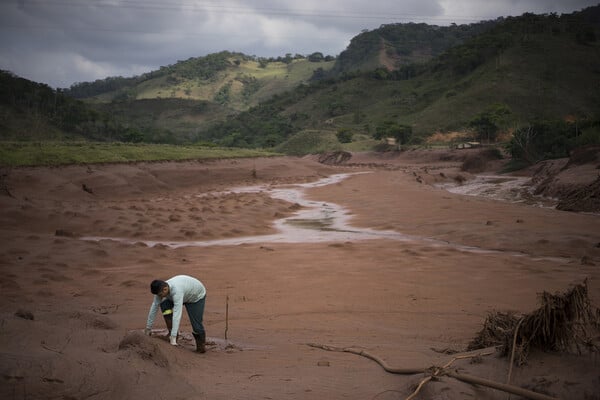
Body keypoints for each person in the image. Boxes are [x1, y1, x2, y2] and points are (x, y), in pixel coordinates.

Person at [144, 275, 207, 353]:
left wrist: (173, 340)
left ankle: (201, 347)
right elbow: (154, 308)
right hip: (183, 292)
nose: (159, 297)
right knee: (164, 305)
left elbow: (177, 315)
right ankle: (172, 333)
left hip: (195, 297)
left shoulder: (177, 291)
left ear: (165, 289)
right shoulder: (161, 289)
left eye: (160, 295)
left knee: (196, 325)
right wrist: (148, 328)